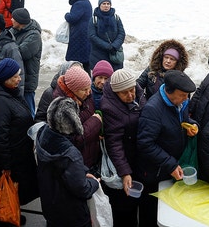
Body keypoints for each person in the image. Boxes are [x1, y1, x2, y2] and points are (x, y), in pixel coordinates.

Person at [136, 70, 199, 227]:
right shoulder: (153, 109)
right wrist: (169, 164)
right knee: (152, 212)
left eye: (187, 95)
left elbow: (182, 120)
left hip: (170, 165)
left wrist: (191, 125)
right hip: (154, 171)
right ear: (169, 91)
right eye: (183, 95)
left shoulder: (180, 102)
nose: (186, 99)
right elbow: (145, 143)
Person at [0, 58, 39, 224]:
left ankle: (12, 214)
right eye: (15, 76)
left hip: (18, 154)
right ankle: (3, 220)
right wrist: (6, 164)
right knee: (5, 193)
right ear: (4, 79)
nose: (19, 79)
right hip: (8, 159)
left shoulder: (11, 93)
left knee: (14, 191)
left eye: (19, 75)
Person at [35, 97, 100, 227]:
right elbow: (83, 189)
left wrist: (82, 172)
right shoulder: (70, 154)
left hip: (50, 206)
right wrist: (94, 183)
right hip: (72, 215)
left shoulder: (42, 133)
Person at [100, 69, 147, 226]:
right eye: (124, 93)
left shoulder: (138, 92)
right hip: (125, 157)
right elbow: (114, 143)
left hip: (139, 155)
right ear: (115, 92)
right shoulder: (109, 107)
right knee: (124, 205)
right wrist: (125, 172)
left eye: (131, 90)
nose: (130, 95)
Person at [45, 64, 102, 173]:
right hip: (76, 164)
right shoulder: (63, 108)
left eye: (89, 88)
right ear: (73, 89)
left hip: (89, 155)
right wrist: (96, 122)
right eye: (84, 89)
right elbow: (75, 140)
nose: (88, 92)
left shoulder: (84, 96)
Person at [9, 8, 42, 116]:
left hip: (27, 80)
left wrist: (8, 48)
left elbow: (21, 53)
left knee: (28, 111)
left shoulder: (34, 36)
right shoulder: (14, 31)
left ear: (20, 21)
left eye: (13, 18)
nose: (11, 20)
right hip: (16, 78)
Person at [88, 0, 126, 70]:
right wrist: (107, 46)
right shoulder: (94, 19)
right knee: (101, 74)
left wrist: (114, 46)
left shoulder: (116, 18)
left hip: (114, 53)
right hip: (98, 55)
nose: (106, 6)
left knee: (115, 75)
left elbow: (121, 33)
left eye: (108, 4)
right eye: (104, 3)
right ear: (99, 5)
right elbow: (92, 36)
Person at [64, 0, 92, 70]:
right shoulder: (86, 2)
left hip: (79, 35)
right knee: (85, 60)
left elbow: (73, 18)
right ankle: (87, 77)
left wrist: (66, 15)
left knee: (75, 61)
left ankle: (76, 76)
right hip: (84, 34)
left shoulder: (79, 3)